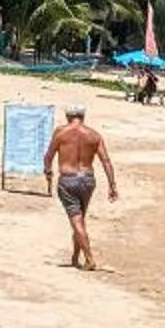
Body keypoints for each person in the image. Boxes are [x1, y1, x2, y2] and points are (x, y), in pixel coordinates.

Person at [45, 104, 119, 270]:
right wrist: (112, 184)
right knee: (80, 220)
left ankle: (90, 259)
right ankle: (75, 257)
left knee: (76, 221)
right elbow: (105, 160)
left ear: (68, 117)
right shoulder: (94, 135)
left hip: (68, 180)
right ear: (83, 117)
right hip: (87, 180)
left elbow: (49, 156)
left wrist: (48, 173)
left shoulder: (61, 132)